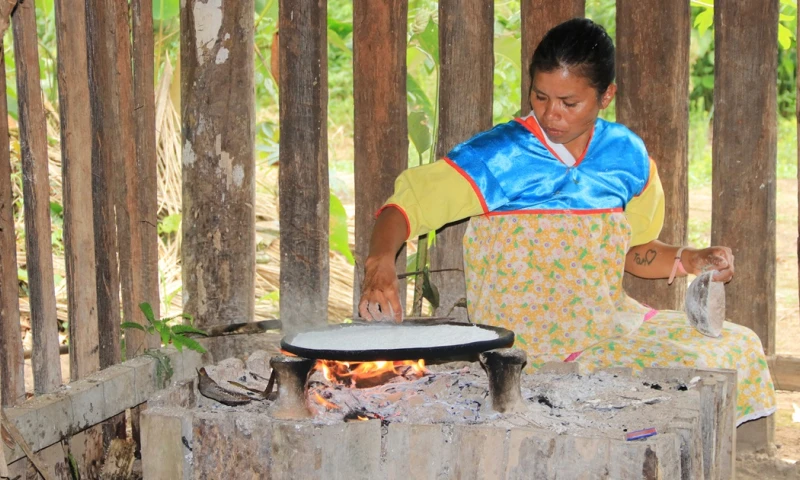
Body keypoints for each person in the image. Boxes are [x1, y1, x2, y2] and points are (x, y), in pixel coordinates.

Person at [357, 17, 775, 426]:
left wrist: (691, 259)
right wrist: (381, 263)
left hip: (605, 328)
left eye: (569, 103)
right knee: (676, 372)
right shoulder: (497, 156)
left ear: (606, 95)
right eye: (540, 97)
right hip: (526, 346)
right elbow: (403, 209)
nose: (550, 114)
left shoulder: (627, 157)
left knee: (734, 348)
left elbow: (634, 252)